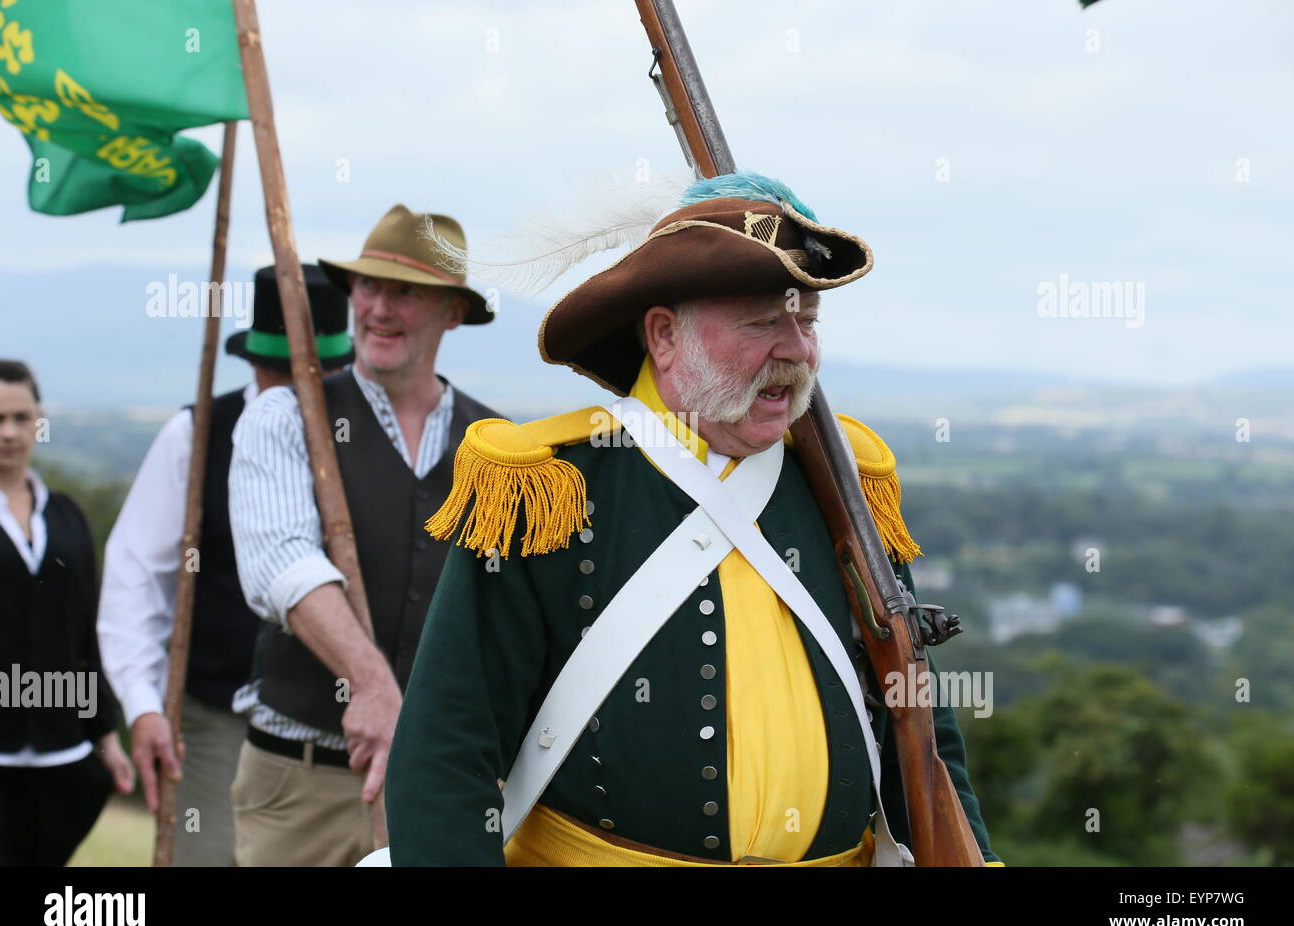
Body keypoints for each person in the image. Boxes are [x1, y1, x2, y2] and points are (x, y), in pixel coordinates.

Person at [385, 173, 1002, 866]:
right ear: (664, 335)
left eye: (807, 321)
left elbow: (923, 732)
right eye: (764, 322)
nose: (797, 350)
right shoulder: (548, 490)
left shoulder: (845, 488)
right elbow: (445, 755)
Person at [228, 205, 502, 866]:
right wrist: (371, 683)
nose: (378, 308)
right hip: (301, 783)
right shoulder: (287, 416)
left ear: (454, 312)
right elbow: (281, 563)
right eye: (369, 287)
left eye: (405, 291)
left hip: (437, 789)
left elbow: (506, 617)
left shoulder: (497, 447)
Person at [97, 266, 352, 866]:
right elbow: (135, 575)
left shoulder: (368, 436)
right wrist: (143, 704)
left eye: (312, 376)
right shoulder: (194, 434)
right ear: (252, 363)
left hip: (337, 730)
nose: (293, 390)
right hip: (213, 722)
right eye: (278, 374)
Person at [0, 359, 133, 866]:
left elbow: (85, 635)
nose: (9, 432)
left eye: (21, 418)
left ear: (38, 420)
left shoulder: (67, 516)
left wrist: (104, 734)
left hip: (59, 749)